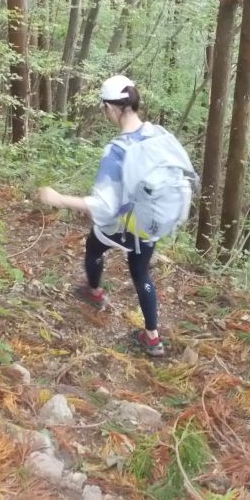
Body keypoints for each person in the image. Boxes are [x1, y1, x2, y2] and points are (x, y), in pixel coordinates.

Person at [37, 75, 197, 358]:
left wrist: (59, 198)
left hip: (128, 222)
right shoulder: (158, 134)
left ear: (112, 108)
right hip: (153, 221)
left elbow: (103, 206)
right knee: (140, 271)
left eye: (104, 108)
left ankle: (95, 293)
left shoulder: (117, 150)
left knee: (94, 245)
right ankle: (152, 339)